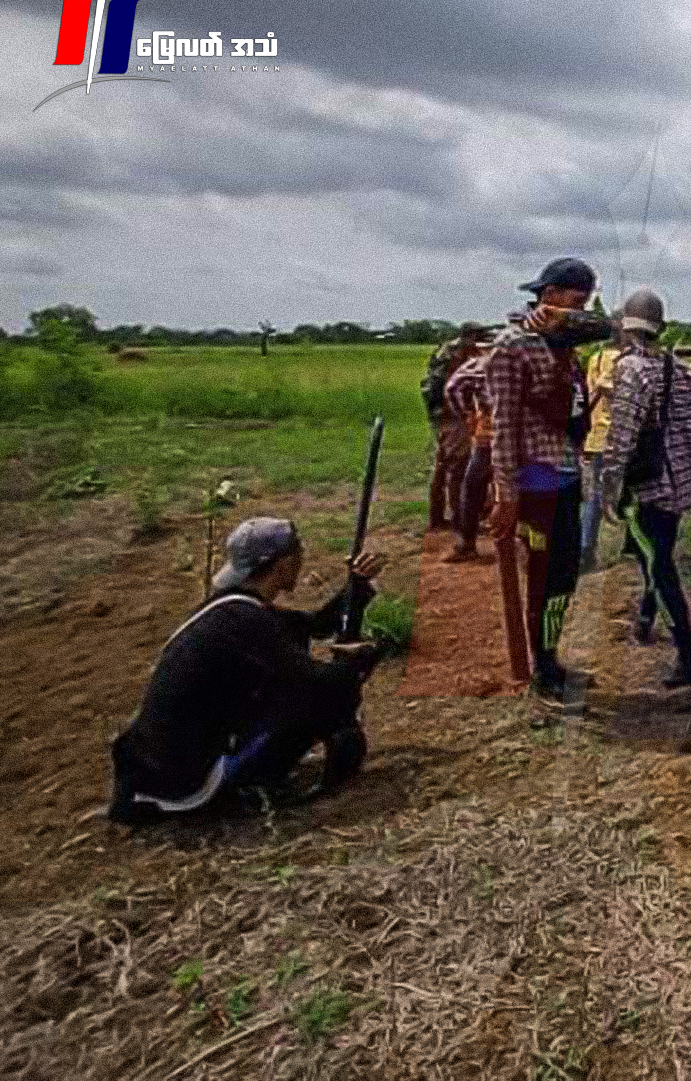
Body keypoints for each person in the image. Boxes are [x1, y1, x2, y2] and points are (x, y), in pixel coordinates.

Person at [108, 518, 384, 825]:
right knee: (327, 697)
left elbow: (316, 625)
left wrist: (357, 587)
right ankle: (247, 787)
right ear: (284, 564)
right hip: (185, 786)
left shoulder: (230, 609)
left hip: (153, 774)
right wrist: (359, 663)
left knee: (312, 687)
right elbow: (319, 687)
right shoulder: (246, 620)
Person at [485, 258, 601, 701]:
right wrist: (506, 494)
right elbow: (503, 428)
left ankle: (550, 654)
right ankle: (543, 665)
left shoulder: (563, 341)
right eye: (575, 301)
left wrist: (560, 322)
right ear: (549, 294)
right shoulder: (512, 347)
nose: (581, 310)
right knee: (543, 575)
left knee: (564, 576)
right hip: (535, 481)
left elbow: (614, 327)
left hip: (566, 473)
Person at [601, 289, 691, 690]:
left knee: (658, 565)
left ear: (625, 328)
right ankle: (645, 622)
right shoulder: (685, 370)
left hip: (649, 486)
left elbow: (622, 437)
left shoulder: (631, 370)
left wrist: (609, 486)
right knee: (658, 555)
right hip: (681, 482)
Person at [422, 323, 488, 530]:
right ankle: (460, 519)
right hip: (452, 414)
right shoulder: (460, 354)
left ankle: (436, 518)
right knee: (458, 467)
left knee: (441, 467)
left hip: (437, 413)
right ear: (470, 336)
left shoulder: (444, 349)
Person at [579, 321, 627, 574]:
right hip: (618, 436)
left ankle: (586, 548)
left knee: (595, 496)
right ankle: (631, 544)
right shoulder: (624, 359)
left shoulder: (595, 358)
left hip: (596, 434)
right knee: (630, 492)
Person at [442, 350, 493, 562]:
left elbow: (453, 388)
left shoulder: (482, 364)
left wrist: (467, 414)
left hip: (488, 435)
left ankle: (467, 543)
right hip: (522, 435)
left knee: (472, 487)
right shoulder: (535, 359)